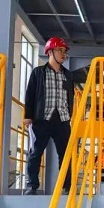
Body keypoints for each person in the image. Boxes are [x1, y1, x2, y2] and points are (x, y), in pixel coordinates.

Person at [23, 37, 74, 195]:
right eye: (60, 50)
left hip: (62, 119)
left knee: (65, 154)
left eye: (65, 51)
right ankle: (32, 185)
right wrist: (28, 115)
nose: (63, 54)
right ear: (50, 52)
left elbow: (70, 96)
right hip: (42, 119)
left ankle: (66, 187)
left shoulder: (68, 75)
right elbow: (30, 94)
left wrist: (70, 115)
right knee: (35, 152)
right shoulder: (38, 72)